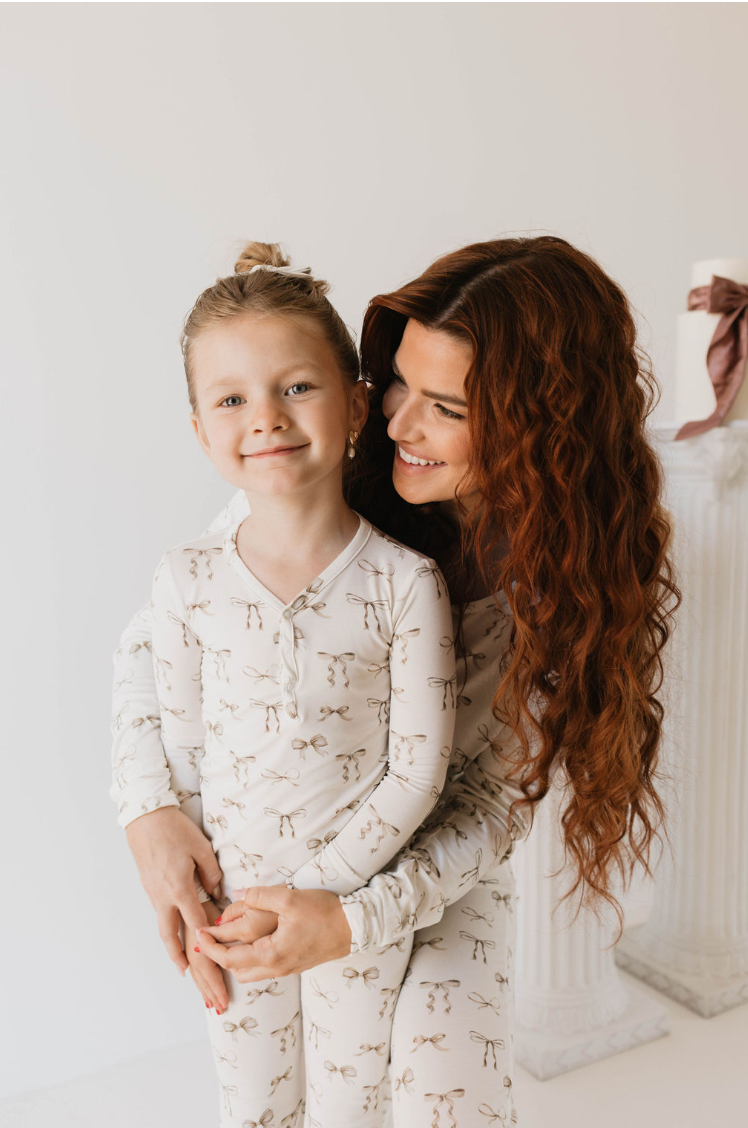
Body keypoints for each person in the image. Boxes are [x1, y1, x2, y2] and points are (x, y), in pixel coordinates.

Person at [113, 235, 679, 1127]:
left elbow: (491, 811)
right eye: (400, 384)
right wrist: (148, 811)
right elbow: (156, 646)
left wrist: (346, 916)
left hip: (440, 873)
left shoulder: (569, 585)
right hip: (291, 854)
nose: (397, 422)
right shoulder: (328, 478)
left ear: (542, 426)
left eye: (445, 405)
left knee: (437, 1091)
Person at [117, 240, 458, 1128]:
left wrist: (322, 894)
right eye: (231, 398)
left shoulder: (405, 584)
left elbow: (418, 774)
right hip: (232, 917)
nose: (264, 415)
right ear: (200, 429)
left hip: (347, 910)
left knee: (352, 1107)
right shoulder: (184, 579)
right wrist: (203, 902)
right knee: (255, 1108)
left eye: (295, 386)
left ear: (355, 405)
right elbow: (180, 747)